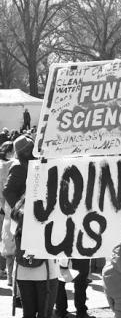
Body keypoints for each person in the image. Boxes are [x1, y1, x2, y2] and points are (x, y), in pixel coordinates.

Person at [3, 135, 60, 318]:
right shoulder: (20, 166)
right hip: (29, 235)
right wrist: (22, 214)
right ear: (26, 151)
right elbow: (8, 190)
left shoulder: (35, 163)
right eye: (31, 148)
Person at [0, 141, 14, 285]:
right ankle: (11, 278)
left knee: (6, 243)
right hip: (9, 208)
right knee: (10, 244)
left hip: (3, 207)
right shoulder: (13, 165)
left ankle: (5, 273)